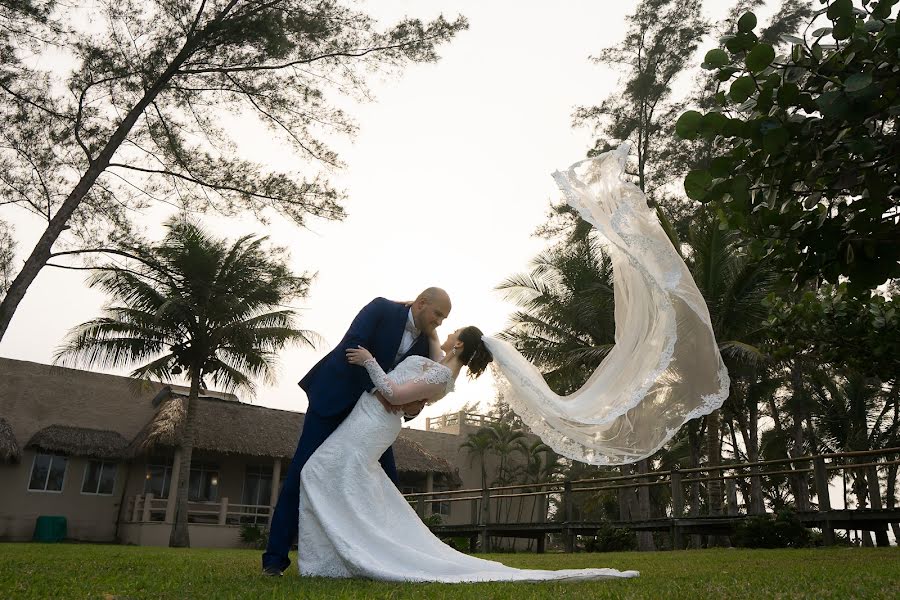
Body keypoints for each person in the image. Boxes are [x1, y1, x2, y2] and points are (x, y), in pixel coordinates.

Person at [296, 325, 638, 582]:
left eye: (454, 330)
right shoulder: (439, 365)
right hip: (369, 416)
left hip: (375, 423)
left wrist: (369, 361)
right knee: (333, 475)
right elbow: (409, 394)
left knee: (317, 471)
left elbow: (395, 394)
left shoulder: (444, 374)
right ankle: (336, 556)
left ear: (459, 343)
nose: (448, 331)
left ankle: (342, 554)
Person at [261, 288, 451, 576]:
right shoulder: (381, 308)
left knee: (388, 485)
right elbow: (352, 347)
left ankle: (391, 560)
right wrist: (382, 390)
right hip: (334, 400)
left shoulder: (426, 346)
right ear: (422, 303)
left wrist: (412, 408)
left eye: (444, 318)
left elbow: (417, 391)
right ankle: (274, 560)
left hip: (372, 421)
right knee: (303, 472)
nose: (440, 322)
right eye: (438, 314)